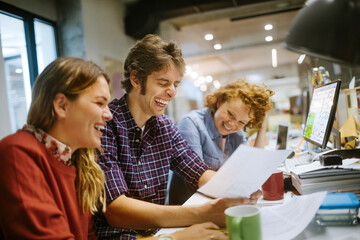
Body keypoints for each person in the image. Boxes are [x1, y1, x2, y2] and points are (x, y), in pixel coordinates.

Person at [94, 34, 261, 240]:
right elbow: (116, 211)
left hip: (157, 232)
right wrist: (203, 214)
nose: (172, 92)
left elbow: (198, 172)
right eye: (163, 82)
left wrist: (239, 190)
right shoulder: (105, 126)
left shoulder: (165, 127)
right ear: (136, 79)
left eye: (176, 84)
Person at [0, 57, 113, 239]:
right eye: (100, 103)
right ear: (62, 106)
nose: (109, 115)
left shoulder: (77, 162)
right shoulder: (16, 152)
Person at [169, 79, 274, 205]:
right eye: (230, 114)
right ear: (219, 102)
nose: (232, 124)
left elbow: (251, 166)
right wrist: (238, 190)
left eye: (242, 122)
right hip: (191, 205)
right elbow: (195, 179)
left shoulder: (236, 132)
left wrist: (261, 128)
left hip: (221, 199)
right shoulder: (191, 123)